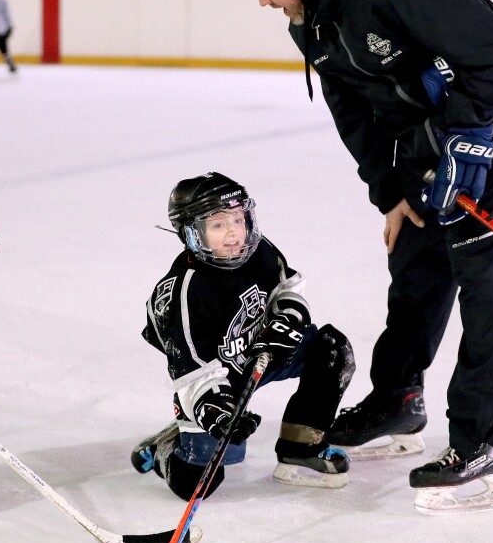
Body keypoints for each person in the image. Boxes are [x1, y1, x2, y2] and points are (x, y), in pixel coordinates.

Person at [230, 0, 493, 514]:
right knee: (418, 262)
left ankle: (483, 440)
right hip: (426, 134)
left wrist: (470, 138)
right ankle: (399, 399)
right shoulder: (309, 21)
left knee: (483, 273)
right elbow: (351, 111)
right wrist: (391, 191)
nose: (264, 2)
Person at [130, 173, 354, 499]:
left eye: (238, 219)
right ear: (192, 234)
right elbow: (191, 368)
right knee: (198, 484)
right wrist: (215, 409)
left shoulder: (258, 250)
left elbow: (286, 285)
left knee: (331, 348)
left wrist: (286, 321)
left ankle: (301, 444)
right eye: (219, 225)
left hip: (261, 352)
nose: (234, 232)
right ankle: (166, 448)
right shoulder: (185, 291)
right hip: (215, 380)